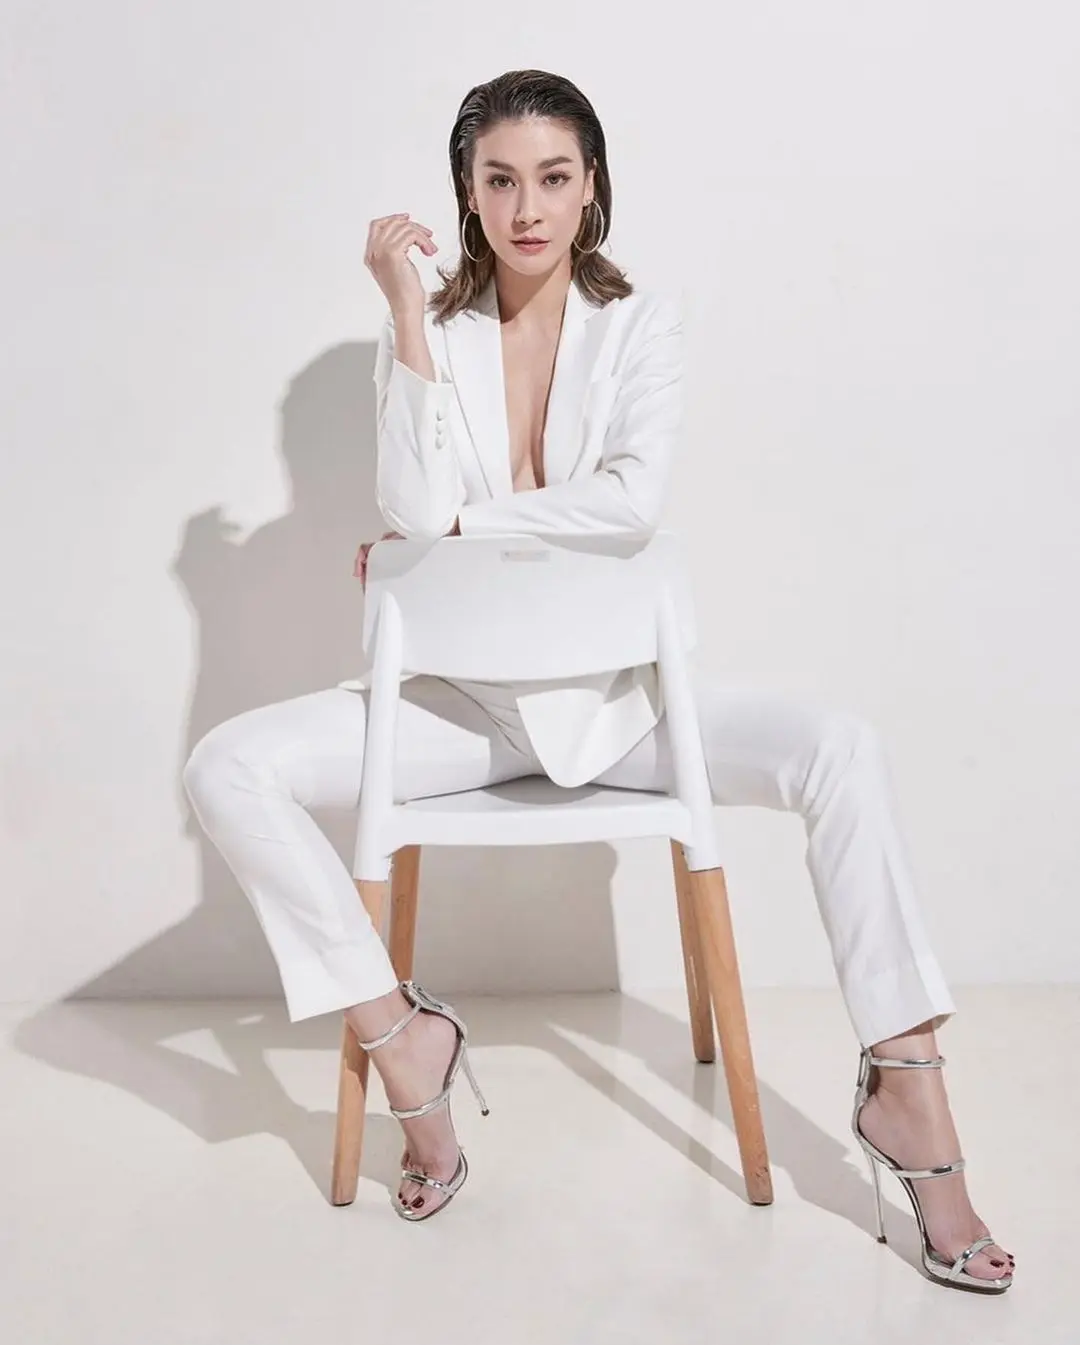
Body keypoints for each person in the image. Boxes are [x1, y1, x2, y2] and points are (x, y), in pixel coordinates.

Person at [183, 69, 1013, 1288]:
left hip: (624, 713)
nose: (527, 207)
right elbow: (409, 503)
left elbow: (631, 499)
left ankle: (909, 1084)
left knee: (841, 745)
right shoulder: (431, 335)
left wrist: (460, 534)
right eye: (499, 180)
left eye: (553, 178)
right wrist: (406, 313)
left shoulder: (643, 327)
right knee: (227, 767)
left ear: (591, 188)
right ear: (467, 194)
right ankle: (403, 1038)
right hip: (463, 715)